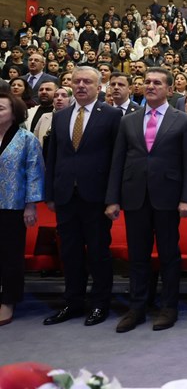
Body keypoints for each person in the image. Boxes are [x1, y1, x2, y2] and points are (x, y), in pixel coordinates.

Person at [105, 67, 187, 333]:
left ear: (169, 89)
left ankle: (169, 307)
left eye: (157, 82)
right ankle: (137, 308)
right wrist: (112, 199)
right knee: (137, 256)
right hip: (135, 196)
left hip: (168, 197)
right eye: (147, 82)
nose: (150, 86)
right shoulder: (128, 120)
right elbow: (117, 161)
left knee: (169, 255)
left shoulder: (182, 120)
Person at [42, 67, 121, 327]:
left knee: (98, 252)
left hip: (96, 196)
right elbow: (53, 157)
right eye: (77, 81)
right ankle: (72, 302)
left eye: (87, 81)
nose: (81, 85)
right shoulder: (61, 116)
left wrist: (113, 197)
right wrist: (50, 193)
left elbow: (117, 159)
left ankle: (100, 304)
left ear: (99, 87)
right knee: (70, 252)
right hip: (66, 195)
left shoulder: (111, 115)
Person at [0, 91, 44, 327]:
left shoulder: (26, 139)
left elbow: (34, 173)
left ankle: (8, 300)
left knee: (10, 255)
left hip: (13, 205)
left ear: (14, 113)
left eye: (0, 108)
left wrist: (30, 205)